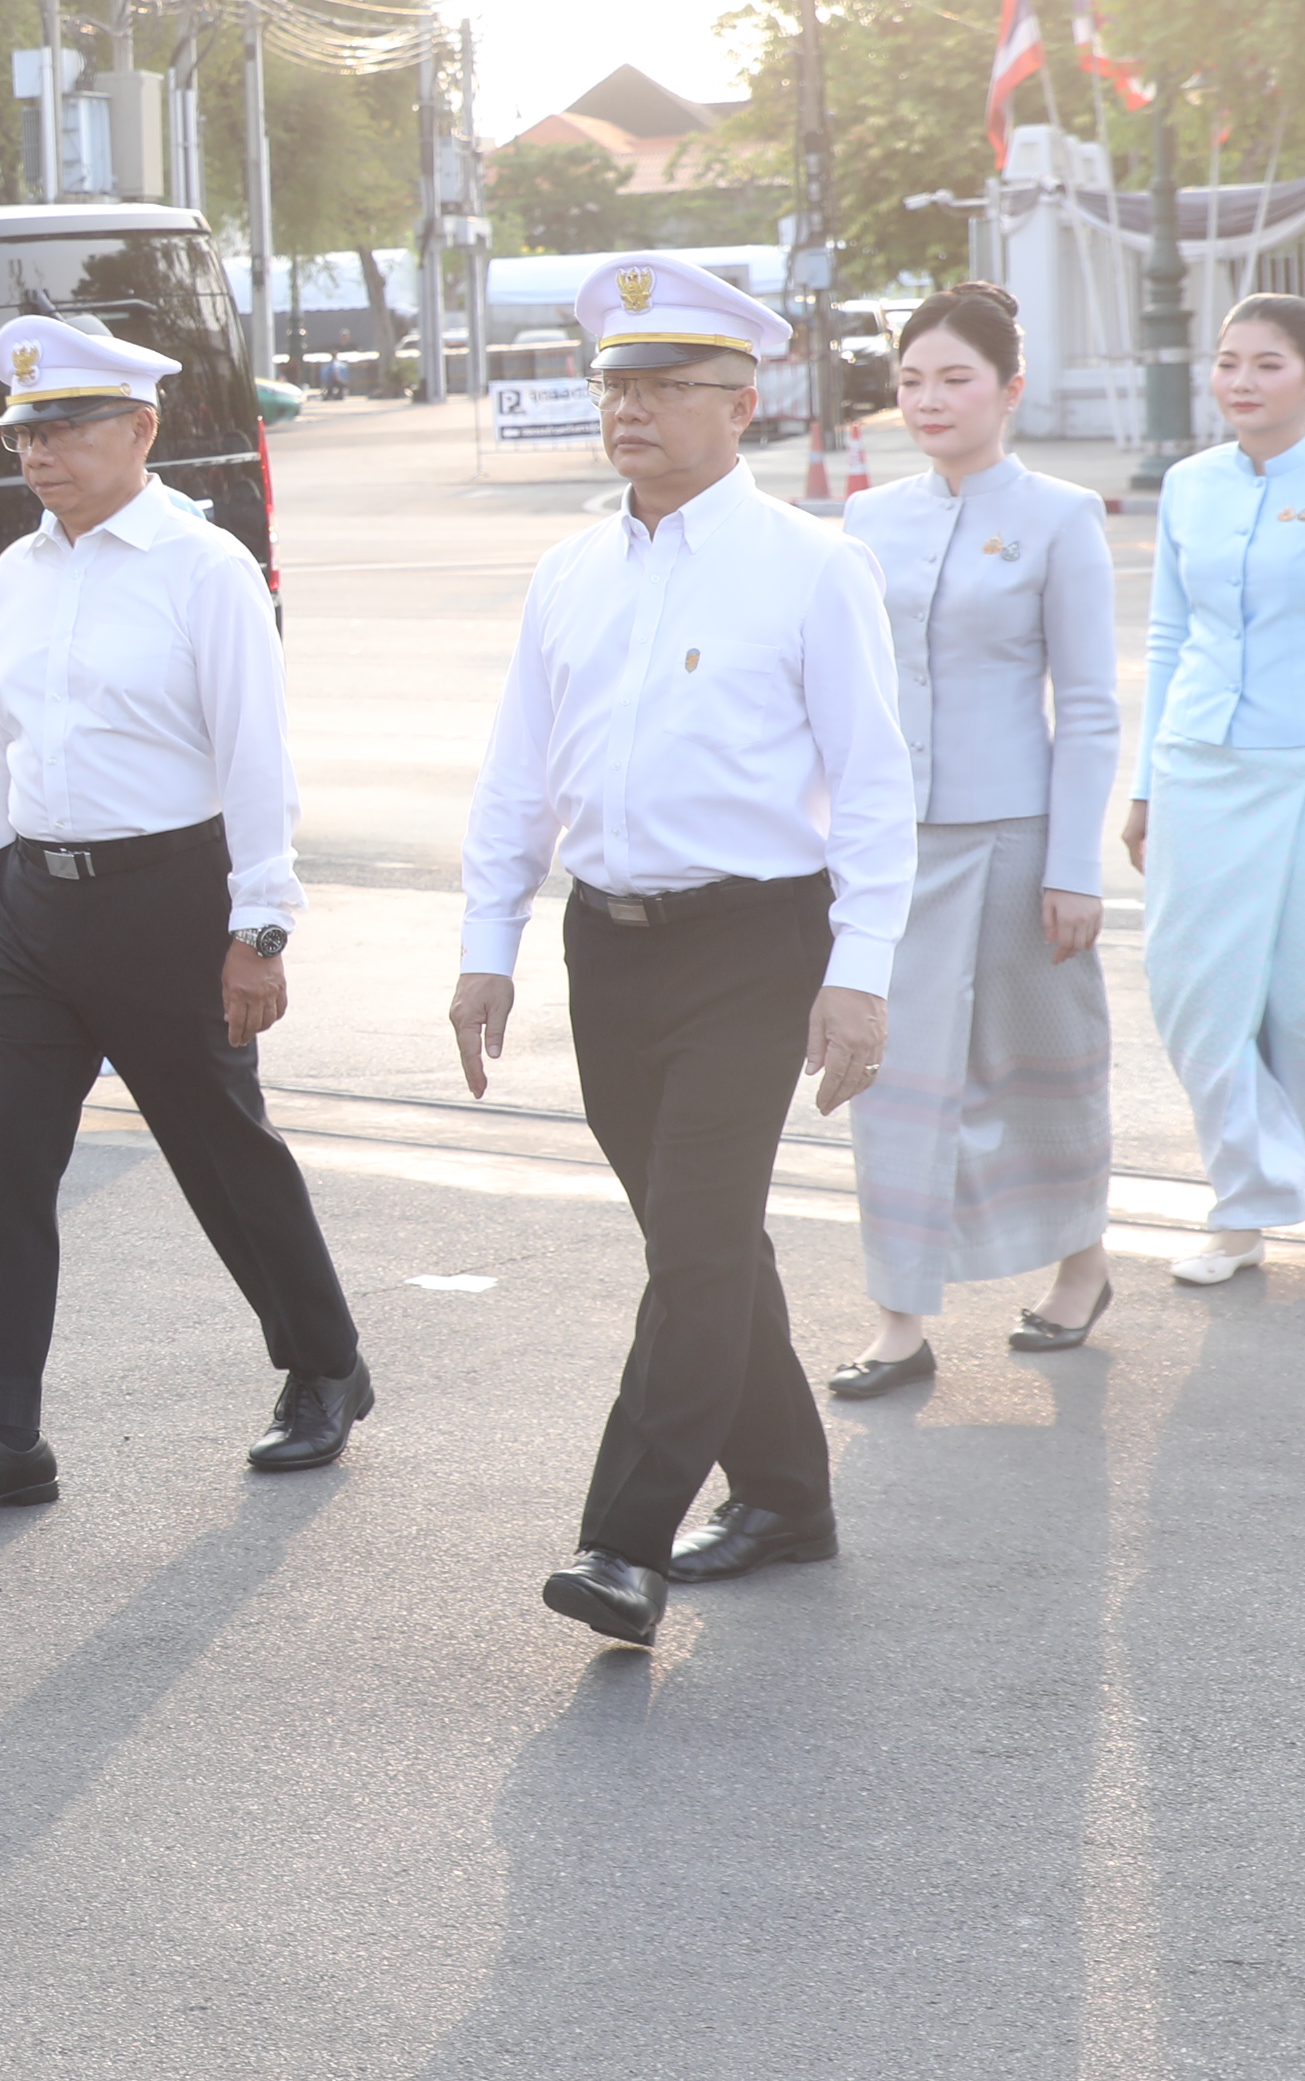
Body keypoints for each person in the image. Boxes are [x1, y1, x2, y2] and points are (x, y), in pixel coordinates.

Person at [451, 255, 912, 1648]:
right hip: (612, 946)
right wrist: (490, 943)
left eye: (662, 385)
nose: (628, 408)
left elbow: (880, 786)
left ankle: (622, 1541)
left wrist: (861, 968)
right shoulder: (569, 571)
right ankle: (787, 1494)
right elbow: (519, 775)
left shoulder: (814, 568)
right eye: (613, 384)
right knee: (700, 1240)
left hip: (757, 942)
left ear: (741, 398)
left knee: (698, 1242)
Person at [0, 316, 368, 1521]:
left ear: (140, 431)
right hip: (34, 908)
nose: (39, 451)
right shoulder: (17, 567)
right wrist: (5, 868)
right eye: (24, 431)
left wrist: (259, 929)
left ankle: (323, 1367)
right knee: (1, 1166)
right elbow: (6, 741)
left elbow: (256, 758)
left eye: (65, 427)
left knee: (220, 1151)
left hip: (169, 900)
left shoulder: (202, 570)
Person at [829, 285, 1119, 1385]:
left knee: (1036, 1066)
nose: (930, 400)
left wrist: (1073, 865)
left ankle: (1081, 1265)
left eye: (955, 379)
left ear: (1010, 389)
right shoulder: (867, 519)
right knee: (888, 1074)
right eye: (911, 381)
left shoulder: (1058, 516)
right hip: (894, 848)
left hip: (1016, 842)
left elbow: (1086, 706)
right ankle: (899, 1321)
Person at [1130, 293, 1305, 1287]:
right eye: (1227, 362)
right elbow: (1168, 637)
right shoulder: (1187, 485)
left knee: (1304, 998)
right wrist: (1142, 788)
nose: (1241, 383)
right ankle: (1243, 1206)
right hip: (1194, 760)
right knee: (1194, 999)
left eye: (1266, 364)